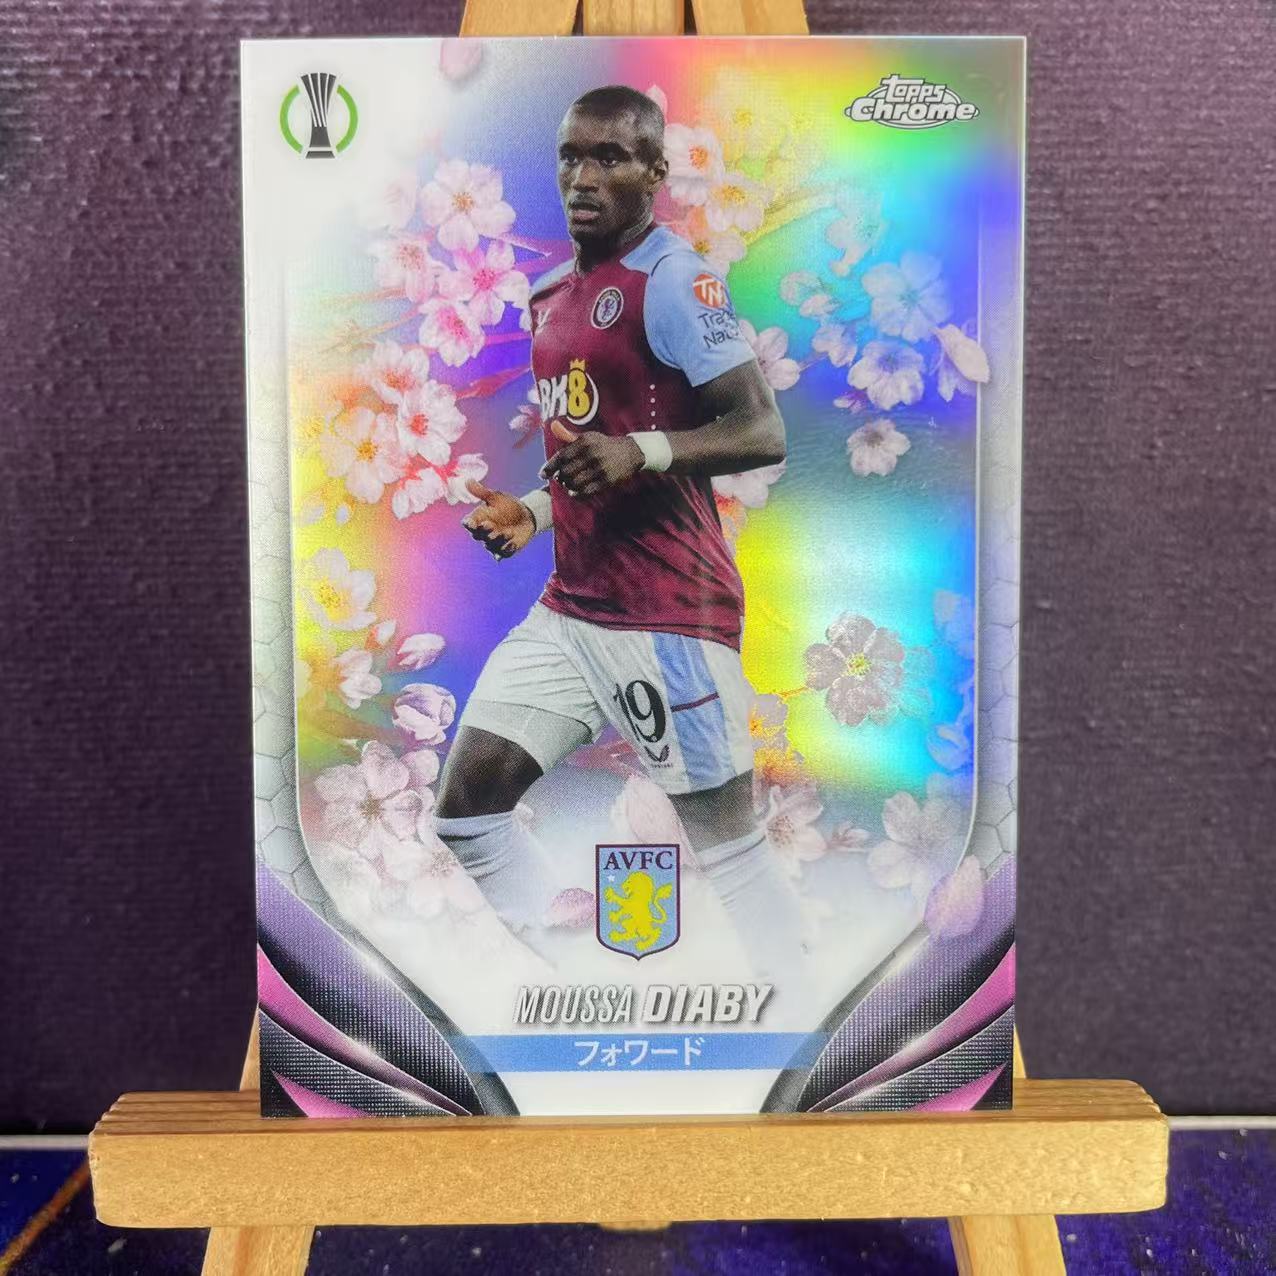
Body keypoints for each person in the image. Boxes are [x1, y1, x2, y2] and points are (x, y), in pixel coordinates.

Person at [434, 85, 807, 985]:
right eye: (572, 156)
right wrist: (534, 509)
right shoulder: (551, 296)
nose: (584, 177)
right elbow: (591, 448)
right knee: (468, 811)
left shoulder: (674, 280)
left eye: (610, 157)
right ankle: (599, 982)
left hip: (668, 614)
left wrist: (642, 451)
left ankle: (812, 1010)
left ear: (655, 172)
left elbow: (761, 430)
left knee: (728, 848)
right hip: (573, 609)